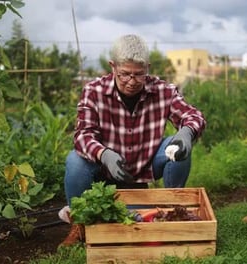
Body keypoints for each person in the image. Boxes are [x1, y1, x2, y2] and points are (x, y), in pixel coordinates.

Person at [58, 34, 206, 246]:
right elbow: (82, 135)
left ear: (148, 67)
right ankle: (78, 224)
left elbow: (194, 116)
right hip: (105, 171)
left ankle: (172, 211)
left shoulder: (162, 91)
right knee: (75, 160)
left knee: (179, 144)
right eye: (125, 74)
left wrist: (186, 133)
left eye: (139, 74)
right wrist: (104, 154)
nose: (132, 81)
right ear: (113, 66)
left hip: (145, 166)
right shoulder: (94, 91)